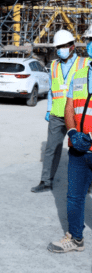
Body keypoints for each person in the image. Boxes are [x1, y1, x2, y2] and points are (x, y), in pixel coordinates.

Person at [48, 25, 92, 253]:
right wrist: (73, 132)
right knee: (74, 197)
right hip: (78, 147)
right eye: (90, 40)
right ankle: (75, 238)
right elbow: (69, 106)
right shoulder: (80, 74)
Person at [32, 30, 89, 193]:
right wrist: (49, 109)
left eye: (63, 46)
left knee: (83, 148)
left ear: (72, 47)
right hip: (57, 114)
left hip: (78, 114)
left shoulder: (85, 63)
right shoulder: (54, 65)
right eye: (58, 47)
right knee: (51, 148)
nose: (60, 50)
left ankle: (87, 182)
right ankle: (46, 181)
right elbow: (52, 90)